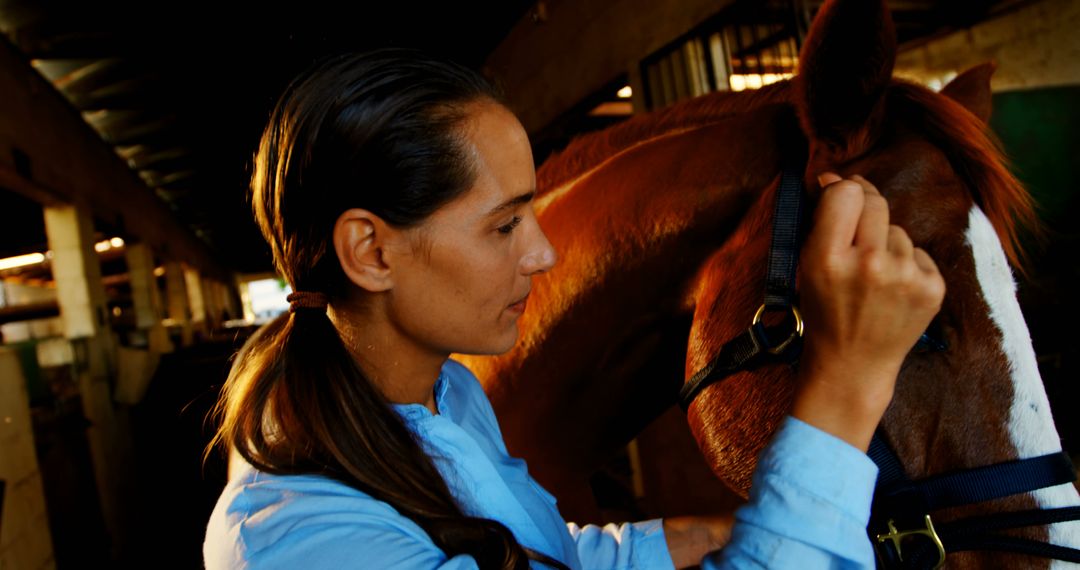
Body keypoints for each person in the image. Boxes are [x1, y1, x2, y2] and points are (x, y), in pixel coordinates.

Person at [203, 47, 944, 569]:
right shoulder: (303, 538)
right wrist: (848, 383)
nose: (543, 254)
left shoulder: (444, 395)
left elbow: (539, 552)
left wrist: (701, 536)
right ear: (370, 251)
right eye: (503, 226)